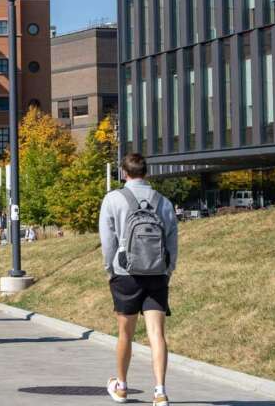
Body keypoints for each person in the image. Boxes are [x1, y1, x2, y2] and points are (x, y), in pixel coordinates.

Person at [101, 153, 178, 406]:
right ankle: (160, 391)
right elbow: (172, 240)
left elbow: (108, 241)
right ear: (146, 172)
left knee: (126, 333)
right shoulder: (163, 202)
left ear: (124, 173)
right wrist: (169, 269)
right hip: (156, 273)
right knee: (157, 334)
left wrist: (110, 269)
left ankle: (121, 387)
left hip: (126, 274)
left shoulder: (113, 199)